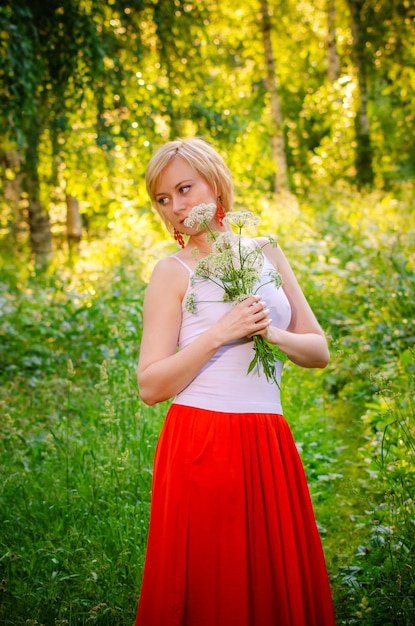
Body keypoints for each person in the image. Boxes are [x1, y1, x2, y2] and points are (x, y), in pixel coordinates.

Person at [135, 136, 336, 626]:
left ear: (216, 185)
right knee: (213, 586)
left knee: (270, 584)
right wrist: (219, 334)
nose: (177, 207)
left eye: (185, 189)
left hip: (268, 439)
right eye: (163, 199)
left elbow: (319, 350)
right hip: (203, 440)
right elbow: (150, 385)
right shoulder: (172, 271)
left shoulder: (266, 251)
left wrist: (272, 332)